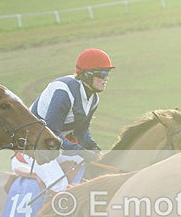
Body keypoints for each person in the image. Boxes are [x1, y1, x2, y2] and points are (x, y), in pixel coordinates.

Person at [13, 48, 113, 192]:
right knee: (59, 185)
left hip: (50, 147)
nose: (106, 78)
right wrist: (80, 150)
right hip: (32, 146)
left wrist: (94, 149)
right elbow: (51, 133)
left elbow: (81, 131)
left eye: (108, 73)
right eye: (102, 73)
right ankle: (48, 214)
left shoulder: (93, 99)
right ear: (87, 75)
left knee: (87, 167)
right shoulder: (63, 92)